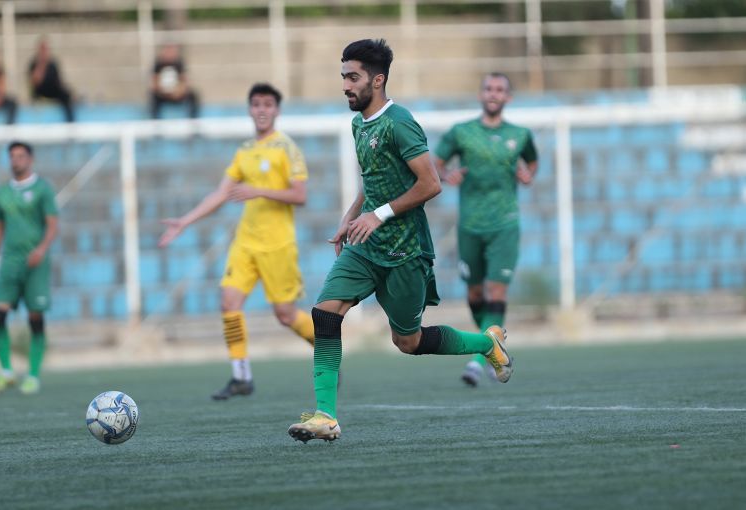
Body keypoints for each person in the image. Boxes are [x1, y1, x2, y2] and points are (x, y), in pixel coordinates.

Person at [287, 39, 514, 443]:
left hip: (404, 251)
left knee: (408, 341)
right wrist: (351, 216)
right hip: (364, 247)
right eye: (343, 77)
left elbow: (431, 183)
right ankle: (326, 416)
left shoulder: (400, 122)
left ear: (377, 80)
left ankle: (486, 343)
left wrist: (378, 215)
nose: (345, 85)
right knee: (324, 314)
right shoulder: (359, 124)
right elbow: (373, 179)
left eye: (353, 77)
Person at [159, 82, 315, 400]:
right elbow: (221, 193)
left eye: (268, 104)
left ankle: (327, 350)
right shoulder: (244, 151)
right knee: (228, 303)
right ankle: (241, 376)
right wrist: (185, 221)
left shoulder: (287, 148)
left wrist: (259, 190)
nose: (262, 110)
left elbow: (300, 196)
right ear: (249, 109)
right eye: (256, 104)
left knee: (285, 315)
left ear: (277, 110)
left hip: (278, 245)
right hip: (245, 243)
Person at [434, 73, 538, 388]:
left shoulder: (519, 135)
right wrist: (446, 175)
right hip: (470, 225)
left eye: (500, 90)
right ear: (481, 94)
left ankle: (479, 359)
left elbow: (532, 162)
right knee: (475, 293)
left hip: (505, 224)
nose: (494, 94)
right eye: (489, 89)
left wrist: (527, 174)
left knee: (496, 291)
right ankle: (496, 351)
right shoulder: (462, 132)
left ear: (508, 97)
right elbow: (436, 162)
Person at [0, 141, 59, 396]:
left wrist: (41, 249)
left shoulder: (42, 189)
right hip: (10, 262)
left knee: (35, 318)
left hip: (35, 262)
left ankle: (33, 375)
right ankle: (6, 371)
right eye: (12, 156)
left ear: (30, 159)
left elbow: (52, 224)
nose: (16, 160)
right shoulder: (3, 192)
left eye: (20, 156)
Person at [28, 37, 75, 122]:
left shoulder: (53, 64)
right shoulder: (34, 64)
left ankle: (70, 122)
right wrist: (41, 64)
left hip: (52, 90)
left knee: (66, 94)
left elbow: (58, 81)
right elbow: (35, 82)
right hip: (40, 91)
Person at [149, 43, 200, 119]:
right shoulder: (158, 64)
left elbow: (185, 81)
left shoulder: (179, 63)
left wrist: (179, 92)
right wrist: (162, 92)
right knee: (153, 96)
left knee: (193, 95)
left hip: (177, 93)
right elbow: (154, 81)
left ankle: (193, 118)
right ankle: (155, 119)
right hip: (162, 94)